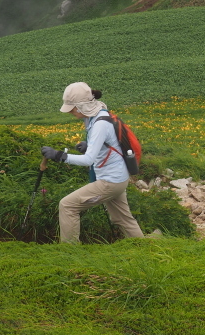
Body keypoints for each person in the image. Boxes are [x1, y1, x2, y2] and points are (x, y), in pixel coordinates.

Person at [41, 82, 144, 243]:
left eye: (72, 108)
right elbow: (109, 144)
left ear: (81, 106)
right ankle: (146, 247)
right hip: (119, 178)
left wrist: (59, 155)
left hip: (110, 181)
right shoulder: (98, 116)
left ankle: (69, 251)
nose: (71, 112)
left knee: (67, 206)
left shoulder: (99, 124)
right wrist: (90, 146)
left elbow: (88, 160)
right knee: (123, 219)